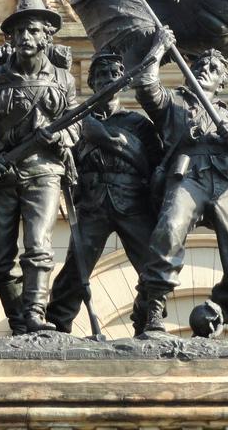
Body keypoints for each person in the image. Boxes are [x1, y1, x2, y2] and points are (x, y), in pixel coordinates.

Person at [0, 0, 79, 334]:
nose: (24, 37)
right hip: (1, 175)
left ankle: (35, 314)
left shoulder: (64, 80)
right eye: (18, 31)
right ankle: (18, 320)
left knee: (39, 246)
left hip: (44, 172)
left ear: (46, 36)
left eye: (32, 30)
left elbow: (77, 125)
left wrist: (57, 137)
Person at [134, 31, 228, 337]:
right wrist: (158, 48)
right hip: (189, 174)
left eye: (214, 69)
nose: (206, 69)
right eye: (200, 65)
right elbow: (146, 86)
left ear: (222, 82)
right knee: (169, 231)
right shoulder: (174, 102)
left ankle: (219, 310)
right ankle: (152, 306)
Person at [46, 52, 162, 335]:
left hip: (132, 200)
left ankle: (150, 317)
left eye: (113, 75)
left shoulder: (139, 124)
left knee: (151, 263)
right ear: (93, 82)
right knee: (76, 267)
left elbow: (157, 165)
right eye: (101, 76)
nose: (108, 80)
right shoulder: (76, 121)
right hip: (92, 202)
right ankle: (58, 323)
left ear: (123, 82)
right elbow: (64, 155)